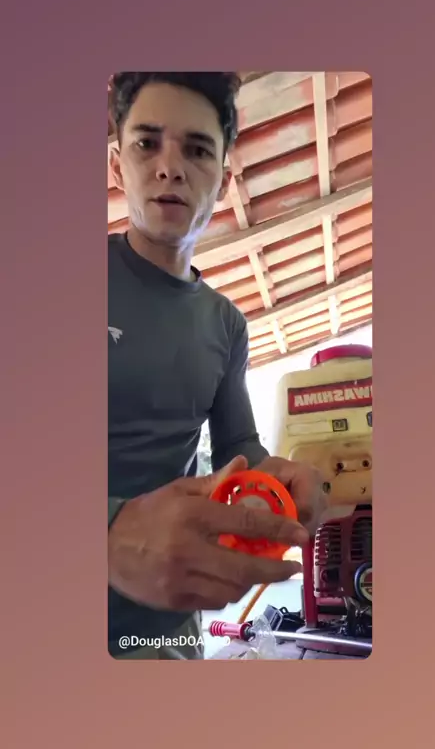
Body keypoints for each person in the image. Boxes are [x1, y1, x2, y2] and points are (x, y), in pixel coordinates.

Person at [107, 72, 325, 659]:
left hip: (166, 627)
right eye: (147, 143)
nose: (170, 168)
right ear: (117, 165)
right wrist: (107, 531)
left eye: (198, 150)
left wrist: (293, 480)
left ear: (224, 181)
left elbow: (240, 448)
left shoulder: (227, 324)